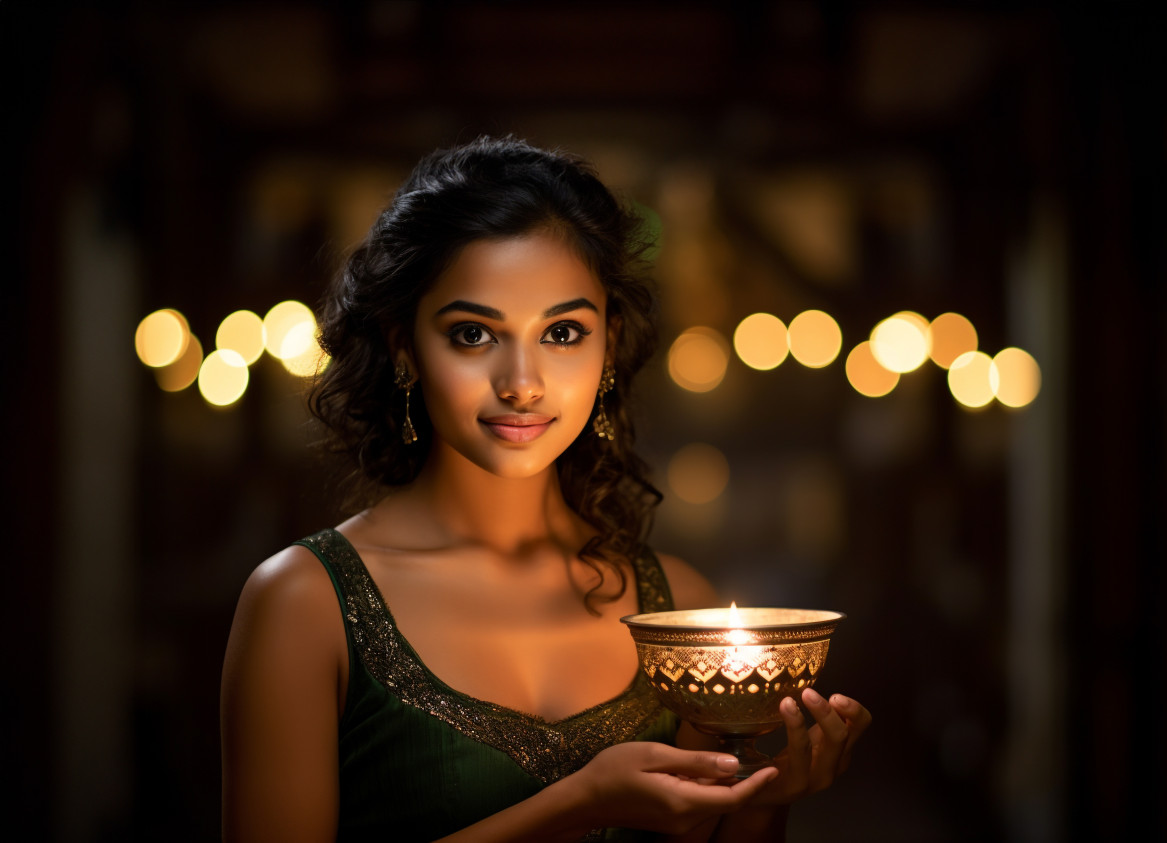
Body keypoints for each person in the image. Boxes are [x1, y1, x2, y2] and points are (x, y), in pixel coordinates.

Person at [220, 136, 871, 842]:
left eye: (562, 332)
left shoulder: (684, 614)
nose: (522, 383)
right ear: (403, 345)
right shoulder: (306, 603)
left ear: (610, 345)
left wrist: (766, 793)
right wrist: (577, 804)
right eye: (473, 334)